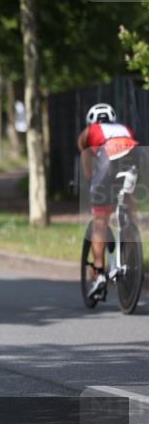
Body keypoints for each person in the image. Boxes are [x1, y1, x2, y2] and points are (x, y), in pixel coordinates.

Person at [77, 102, 139, 298]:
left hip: (108, 159)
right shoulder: (125, 128)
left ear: (91, 121)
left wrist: (90, 183)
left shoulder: (90, 130)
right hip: (135, 155)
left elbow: (85, 156)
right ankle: (131, 238)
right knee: (127, 196)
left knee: (99, 221)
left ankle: (99, 273)